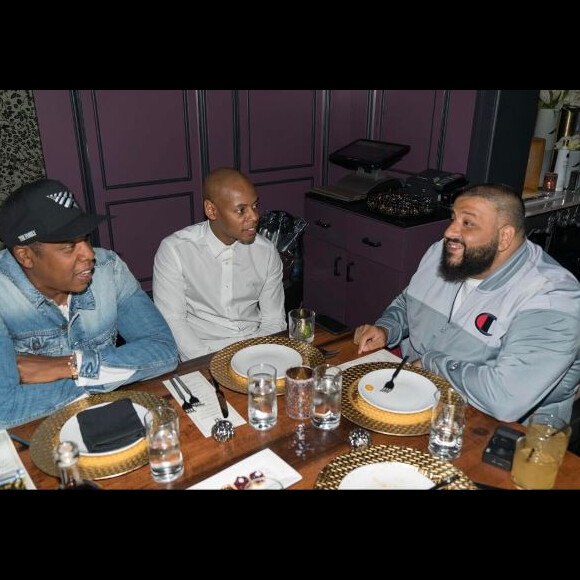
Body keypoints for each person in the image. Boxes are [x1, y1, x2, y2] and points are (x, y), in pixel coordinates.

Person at [354, 183, 580, 424]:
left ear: (504, 237)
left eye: (468, 223)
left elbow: (505, 398)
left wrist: (432, 364)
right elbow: (409, 302)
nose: (449, 232)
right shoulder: (444, 254)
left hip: (506, 434)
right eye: (453, 219)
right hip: (414, 397)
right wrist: (387, 328)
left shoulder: (552, 297)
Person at [0, 179, 179, 429]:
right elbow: (5, 409)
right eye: (69, 246)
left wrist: (74, 366)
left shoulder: (109, 269)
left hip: (115, 421)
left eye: (85, 238)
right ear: (25, 256)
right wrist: (110, 376)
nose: (89, 254)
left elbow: (164, 351)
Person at [153, 167, 286, 361]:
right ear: (211, 210)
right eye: (241, 210)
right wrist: (211, 362)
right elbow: (173, 321)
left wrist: (259, 357)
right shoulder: (175, 250)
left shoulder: (265, 251)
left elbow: (273, 320)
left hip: (256, 347)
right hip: (203, 353)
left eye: (255, 206)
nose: (255, 217)